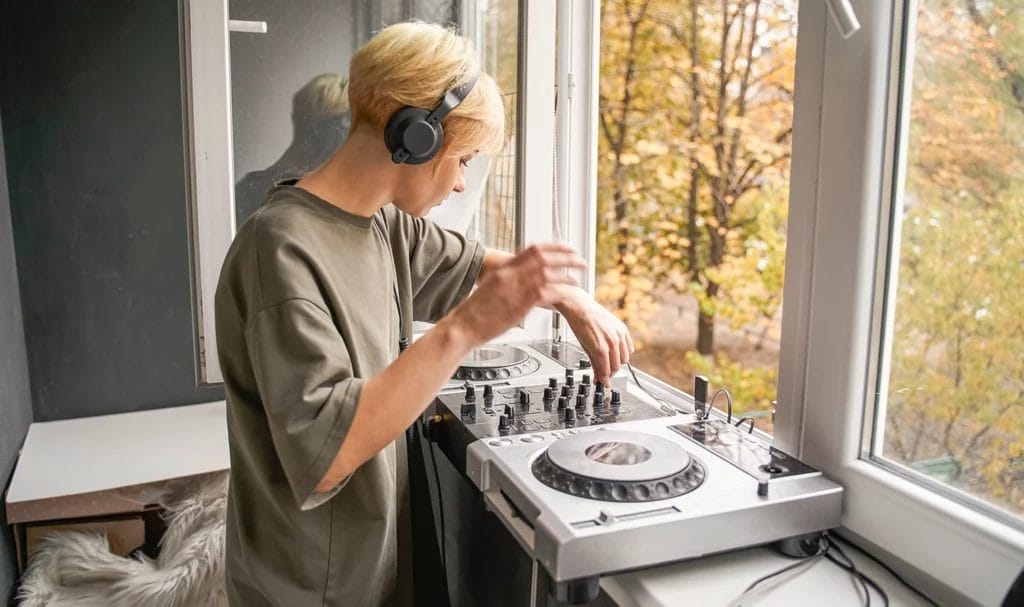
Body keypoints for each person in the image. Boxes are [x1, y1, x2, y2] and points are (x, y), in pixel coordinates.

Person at [214, 21, 634, 607]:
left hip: (373, 560)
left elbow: (478, 264)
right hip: (309, 587)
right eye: (462, 159)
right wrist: (464, 330)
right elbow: (328, 454)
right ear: (416, 137)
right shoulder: (279, 249)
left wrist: (570, 297)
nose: (462, 184)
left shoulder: (382, 223)